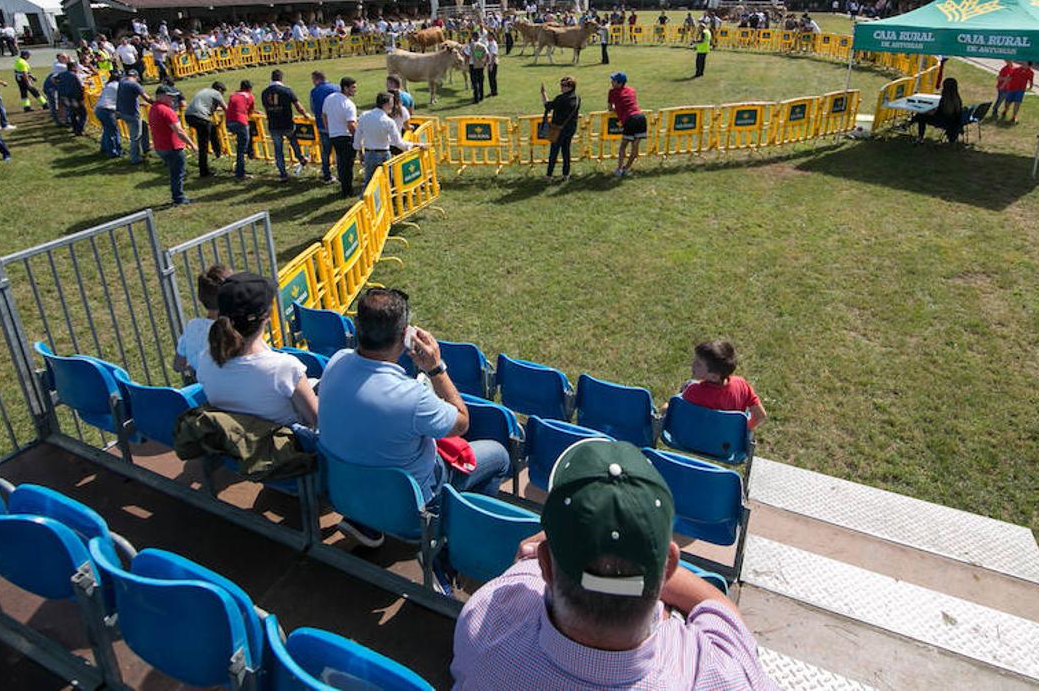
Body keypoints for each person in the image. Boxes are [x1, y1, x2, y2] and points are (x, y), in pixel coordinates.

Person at [450, 438, 775, 690]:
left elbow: (528, 554)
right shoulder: (720, 673)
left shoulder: (487, 621)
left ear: (546, 566)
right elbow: (720, 608)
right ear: (670, 566)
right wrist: (646, 570)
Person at [317, 288, 510, 548]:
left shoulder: (336, 363)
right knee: (499, 455)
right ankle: (462, 542)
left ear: (358, 327)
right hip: (410, 511)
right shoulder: (413, 397)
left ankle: (367, 521)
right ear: (404, 336)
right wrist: (436, 369)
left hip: (347, 492)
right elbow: (462, 422)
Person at [196, 272, 318, 451]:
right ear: (267, 316)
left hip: (237, 449)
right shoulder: (284, 367)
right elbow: (315, 418)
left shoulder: (206, 359)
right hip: (284, 456)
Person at [676, 340, 767, 428]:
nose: (693, 365)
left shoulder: (694, 391)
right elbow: (760, 415)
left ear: (714, 376)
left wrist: (665, 409)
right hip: (727, 442)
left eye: (698, 364)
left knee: (688, 384)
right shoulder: (742, 385)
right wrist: (743, 431)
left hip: (696, 440)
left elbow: (678, 414)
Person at [174, 264, 233, 379]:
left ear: (201, 298)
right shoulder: (234, 331)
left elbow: (177, 365)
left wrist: (194, 369)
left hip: (200, 389)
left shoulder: (193, 326)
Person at [354, 91, 424, 187]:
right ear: (386, 104)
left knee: (369, 182)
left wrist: (360, 153)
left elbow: (358, 137)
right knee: (387, 182)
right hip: (383, 154)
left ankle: (366, 200)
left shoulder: (364, 116)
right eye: (391, 103)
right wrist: (415, 145)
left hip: (369, 153)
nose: (393, 105)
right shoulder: (388, 122)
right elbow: (398, 143)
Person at [148, 85, 197, 206]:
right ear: (162, 96)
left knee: (174, 172)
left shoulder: (154, 108)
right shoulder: (167, 111)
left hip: (160, 146)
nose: (173, 100)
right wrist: (191, 144)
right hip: (172, 147)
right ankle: (179, 197)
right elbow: (179, 131)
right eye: (170, 97)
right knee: (178, 173)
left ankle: (177, 195)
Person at [261, 68, 310, 181]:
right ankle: (300, 158)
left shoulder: (265, 92)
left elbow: (265, 107)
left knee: (278, 150)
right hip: (287, 123)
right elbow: (298, 106)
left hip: (273, 124)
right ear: (281, 78)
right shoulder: (286, 90)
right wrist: (305, 114)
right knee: (293, 142)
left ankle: (283, 173)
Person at [540, 77, 580, 181]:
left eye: (563, 85)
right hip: (570, 129)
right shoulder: (577, 97)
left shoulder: (561, 98)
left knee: (554, 152)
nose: (561, 87)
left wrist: (543, 93)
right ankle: (566, 174)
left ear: (570, 87)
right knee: (566, 151)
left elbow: (547, 106)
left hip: (558, 129)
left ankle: (549, 175)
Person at [324, 76, 359, 196]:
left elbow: (324, 115)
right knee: (348, 165)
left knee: (341, 162)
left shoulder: (329, 98)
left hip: (333, 135)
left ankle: (344, 187)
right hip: (346, 136)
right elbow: (351, 125)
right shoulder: (349, 104)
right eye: (353, 88)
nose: (355, 90)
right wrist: (358, 137)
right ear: (345, 88)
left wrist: (329, 129)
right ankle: (347, 190)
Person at [184, 81, 227, 178]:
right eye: (223, 92)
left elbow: (205, 105)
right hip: (200, 117)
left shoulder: (204, 90)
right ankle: (204, 171)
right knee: (203, 145)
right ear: (219, 89)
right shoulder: (217, 93)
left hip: (189, 116)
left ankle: (218, 151)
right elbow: (226, 108)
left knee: (212, 127)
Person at [607, 72, 646, 178]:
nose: (611, 82)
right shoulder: (632, 90)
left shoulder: (612, 92)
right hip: (641, 117)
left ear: (619, 83)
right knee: (635, 146)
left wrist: (618, 110)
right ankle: (627, 168)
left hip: (629, 119)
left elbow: (610, 108)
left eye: (613, 80)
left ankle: (619, 170)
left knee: (623, 146)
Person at [308, 70, 340, 183]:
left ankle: (326, 175)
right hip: (337, 125)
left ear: (316, 79)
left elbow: (312, 107)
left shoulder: (314, 91)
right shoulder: (337, 88)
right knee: (339, 151)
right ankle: (342, 174)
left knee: (326, 152)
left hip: (322, 125)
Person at [116, 69, 152, 164]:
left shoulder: (122, 82)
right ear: (136, 77)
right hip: (133, 114)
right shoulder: (135, 85)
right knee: (135, 137)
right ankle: (135, 158)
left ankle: (146, 147)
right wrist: (157, 103)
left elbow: (127, 97)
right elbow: (147, 98)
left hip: (123, 112)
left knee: (144, 126)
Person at [915, 76, 964, 143]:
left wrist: (927, 111)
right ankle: (908, 123)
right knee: (922, 114)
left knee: (921, 116)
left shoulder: (945, 100)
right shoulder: (957, 99)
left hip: (944, 122)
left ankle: (920, 136)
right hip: (953, 122)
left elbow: (936, 113)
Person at [226, 79, 257, 179]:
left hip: (229, 122)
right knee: (241, 150)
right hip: (241, 122)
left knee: (240, 146)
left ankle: (240, 169)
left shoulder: (233, 95)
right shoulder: (250, 96)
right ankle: (240, 173)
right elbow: (250, 112)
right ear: (249, 89)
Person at [95, 71, 123, 158]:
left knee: (107, 130)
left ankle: (104, 148)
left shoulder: (108, 85)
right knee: (113, 131)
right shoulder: (118, 86)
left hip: (99, 109)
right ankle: (114, 152)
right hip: (108, 110)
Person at [57, 63, 88, 135]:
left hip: (65, 97)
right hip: (75, 98)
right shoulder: (75, 75)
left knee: (72, 113)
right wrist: (82, 97)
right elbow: (81, 86)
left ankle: (75, 128)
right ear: (73, 67)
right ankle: (79, 129)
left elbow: (54, 79)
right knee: (83, 114)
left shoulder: (62, 74)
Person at [468, 31, 487, 104]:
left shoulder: (470, 45)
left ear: (473, 37)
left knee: (474, 82)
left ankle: (476, 98)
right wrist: (484, 62)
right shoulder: (483, 45)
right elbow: (486, 54)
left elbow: (466, 54)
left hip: (473, 65)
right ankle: (481, 96)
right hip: (480, 65)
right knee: (481, 81)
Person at [485, 31, 500, 97]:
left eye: (488, 35)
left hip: (493, 63)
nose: (487, 37)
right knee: (490, 78)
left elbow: (494, 55)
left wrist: (491, 65)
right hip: (490, 62)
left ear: (492, 36)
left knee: (492, 78)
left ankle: (494, 92)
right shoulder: (489, 43)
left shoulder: (493, 44)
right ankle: (492, 91)